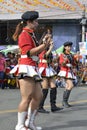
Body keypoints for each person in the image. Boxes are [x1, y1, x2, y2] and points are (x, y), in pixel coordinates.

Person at [10, 11, 51, 130]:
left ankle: (30, 123)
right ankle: (20, 125)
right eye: (36, 21)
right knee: (26, 98)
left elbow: (36, 51)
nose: (37, 24)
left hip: (32, 67)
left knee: (38, 96)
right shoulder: (24, 34)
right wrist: (44, 45)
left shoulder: (31, 33)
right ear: (29, 22)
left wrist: (45, 43)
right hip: (26, 67)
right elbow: (29, 52)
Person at [38, 29, 62, 113]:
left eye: (51, 38)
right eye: (48, 38)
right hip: (43, 68)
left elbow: (49, 58)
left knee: (53, 87)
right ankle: (40, 106)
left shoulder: (48, 48)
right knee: (45, 88)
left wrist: (55, 60)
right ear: (44, 39)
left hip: (48, 68)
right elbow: (44, 56)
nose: (50, 40)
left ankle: (53, 106)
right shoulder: (41, 47)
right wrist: (50, 47)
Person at [58, 41, 79, 108]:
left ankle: (65, 102)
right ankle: (64, 101)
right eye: (68, 47)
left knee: (67, 86)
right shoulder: (62, 55)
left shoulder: (71, 55)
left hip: (70, 71)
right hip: (64, 71)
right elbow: (61, 64)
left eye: (70, 46)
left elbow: (74, 64)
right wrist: (65, 60)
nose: (69, 48)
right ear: (65, 47)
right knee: (71, 85)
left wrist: (77, 59)